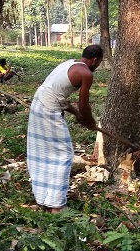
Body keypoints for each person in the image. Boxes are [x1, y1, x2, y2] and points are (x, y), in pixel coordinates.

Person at [27, 45, 103, 213]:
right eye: (99, 63)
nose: (97, 67)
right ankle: (56, 205)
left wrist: (76, 114)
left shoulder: (68, 63)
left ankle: (44, 197)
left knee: (43, 151)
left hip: (38, 103)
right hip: (48, 110)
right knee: (63, 154)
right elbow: (84, 105)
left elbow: (56, 94)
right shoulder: (86, 74)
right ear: (95, 60)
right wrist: (89, 121)